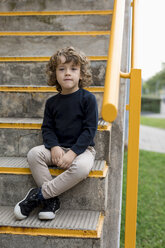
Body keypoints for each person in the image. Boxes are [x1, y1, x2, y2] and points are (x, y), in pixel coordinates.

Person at [14, 47, 98, 220]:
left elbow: (89, 130)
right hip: (57, 149)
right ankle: (52, 201)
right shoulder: (52, 103)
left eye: (73, 69)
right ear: (55, 75)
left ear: (81, 74)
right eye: (62, 69)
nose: (67, 73)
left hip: (82, 150)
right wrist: (54, 147)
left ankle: (39, 195)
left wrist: (73, 152)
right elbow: (47, 129)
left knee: (82, 168)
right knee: (34, 154)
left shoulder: (88, 99)